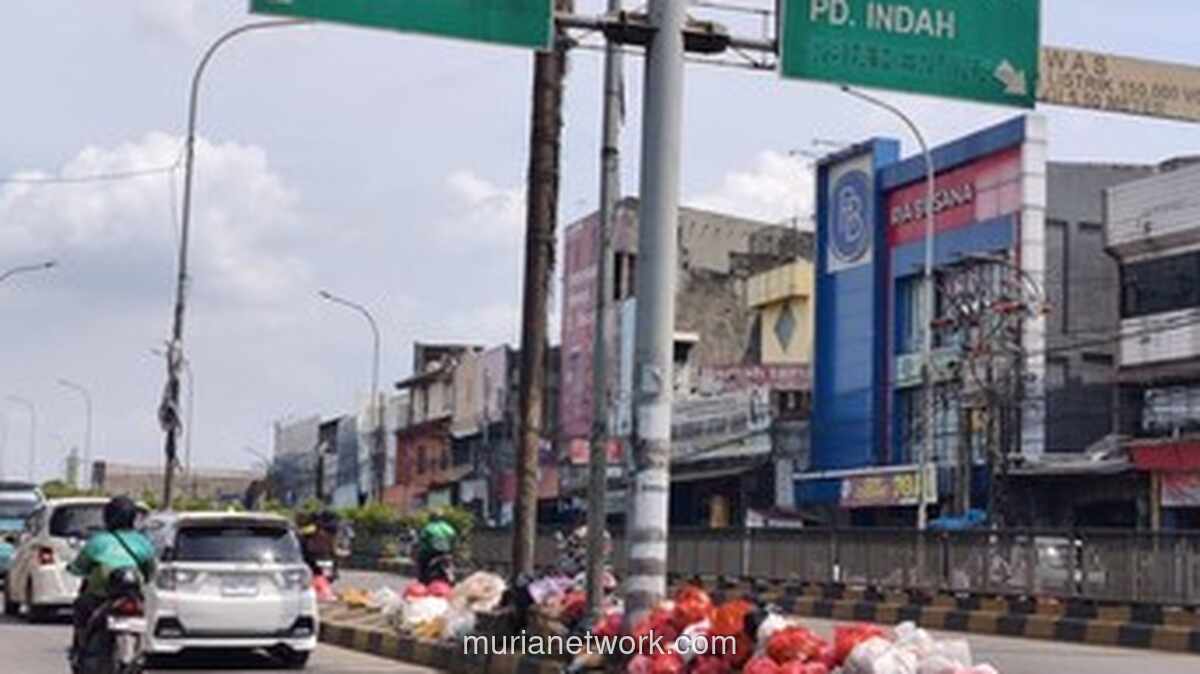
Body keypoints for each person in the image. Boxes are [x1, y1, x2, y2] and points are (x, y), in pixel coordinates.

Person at [66, 496, 156, 663]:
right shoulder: (143, 542)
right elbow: (150, 571)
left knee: (80, 606)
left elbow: (79, 567)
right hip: (133, 596)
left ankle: (78, 650)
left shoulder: (98, 542)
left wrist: (73, 569)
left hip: (100, 597)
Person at [416, 514, 457, 583]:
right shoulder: (448, 527)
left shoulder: (429, 527)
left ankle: (422, 579)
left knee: (422, 561)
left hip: (432, 553)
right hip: (447, 552)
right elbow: (454, 537)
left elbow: (422, 539)